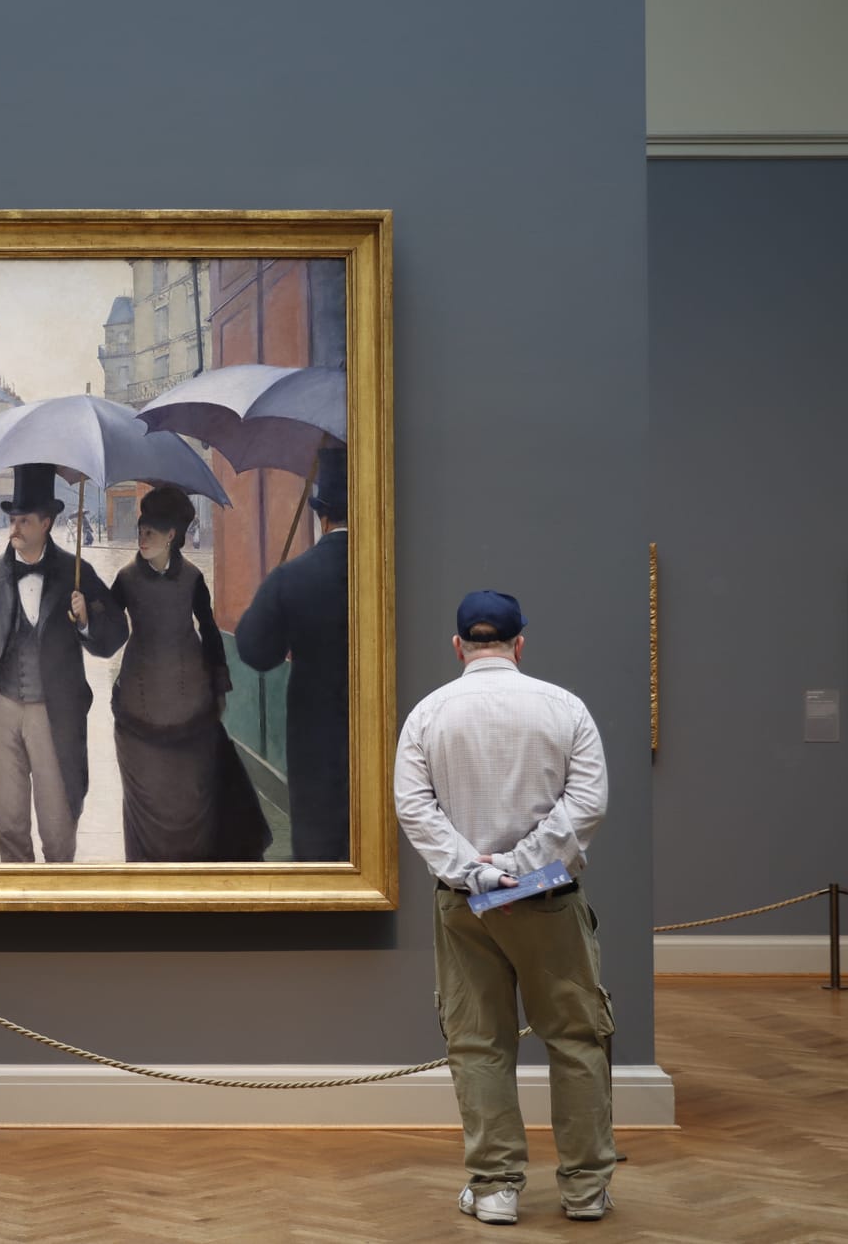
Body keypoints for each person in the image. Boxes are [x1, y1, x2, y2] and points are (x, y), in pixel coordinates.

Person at [393, 591, 615, 1226]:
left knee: (478, 1043)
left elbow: (416, 809)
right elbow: (588, 804)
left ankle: (494, 1189)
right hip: (548, 898)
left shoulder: (428, 715)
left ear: (459, 645)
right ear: (520, 644)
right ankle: (585, 1190)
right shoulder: (565, 708)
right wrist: (520, 871)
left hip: (466, 906)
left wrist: (479, 873)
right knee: (576, 1039)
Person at [0, 464, 128, 862]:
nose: (14, 528)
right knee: (10, 826)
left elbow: (116, 635)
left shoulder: (76, 573)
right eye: (12, 519)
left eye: (24, 520)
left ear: (47, 522)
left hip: (56, 713)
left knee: (59, 830)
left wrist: (87, 621)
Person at [107, 486, 269, 861]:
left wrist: (219, 685)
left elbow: (209, 630)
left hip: (192, 708)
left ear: (171, 536)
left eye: (150, 532)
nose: (142, 538)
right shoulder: (126, 578)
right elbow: (108, 632)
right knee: (145, 799)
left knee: (194, 798)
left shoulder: (194, 578)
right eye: (140, 530)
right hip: (138, 707)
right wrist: (85, 615)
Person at [234, 445, 350, 860]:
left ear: (321, 516)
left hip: (315, 740)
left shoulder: (294, 576)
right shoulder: (391, 570)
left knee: (319, 852)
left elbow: (254, 650)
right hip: (389, 737)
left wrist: (274, 593)